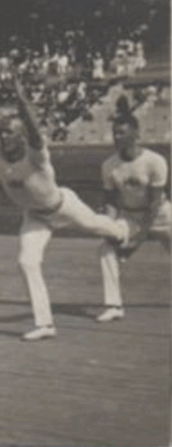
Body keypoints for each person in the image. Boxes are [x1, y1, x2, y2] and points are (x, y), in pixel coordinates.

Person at [0, 76, 135, 341]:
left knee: (99, 226)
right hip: (35, 217)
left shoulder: (37, 155)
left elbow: (34, 130)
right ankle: (44, 324)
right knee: (27, 262)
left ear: (21, 136)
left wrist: (22, 100)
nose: (2, 136)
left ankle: (122, 230)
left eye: (8, 131)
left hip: (63, 206)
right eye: (0, 131)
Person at [95, 100, 171, 323]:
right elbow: (110, 202)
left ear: (135, 134)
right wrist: (109, 227)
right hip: (130, 216)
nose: (117, 138)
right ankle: (113, 305)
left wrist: (136, 243)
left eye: (122, 133)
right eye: (114, 133)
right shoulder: (109, 165)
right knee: (105, 248)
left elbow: (155, 204)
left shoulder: (155, 161)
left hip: (163, 215)